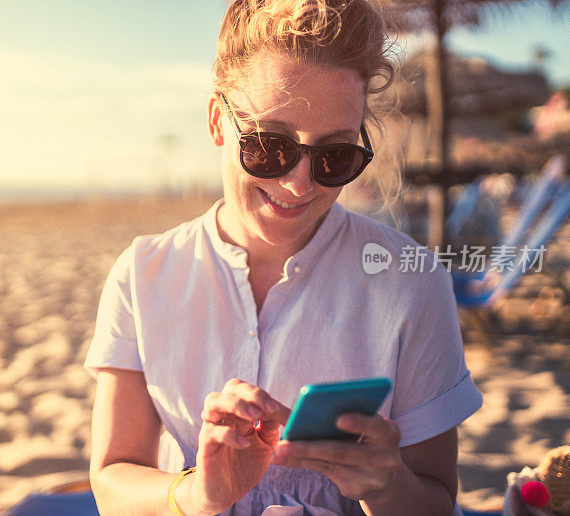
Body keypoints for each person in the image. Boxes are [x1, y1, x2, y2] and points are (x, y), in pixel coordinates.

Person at [85, 0, 483, 514]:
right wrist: (198, 493)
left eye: (334, 156)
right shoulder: (144, 275)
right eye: (268, 146)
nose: (298, 183)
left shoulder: (412, 283)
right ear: (216, 122)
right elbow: (112, 476)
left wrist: (385, 486)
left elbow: (435, 501)